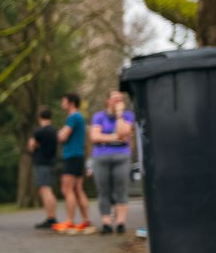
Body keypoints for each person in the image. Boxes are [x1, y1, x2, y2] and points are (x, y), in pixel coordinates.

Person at [89, 90, 136, 235]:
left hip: (121, 156)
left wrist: (119, 115)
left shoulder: (128, 116)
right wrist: (115, 137)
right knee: (104, 190)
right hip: (100, 157)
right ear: (107, 101)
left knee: (120, 189)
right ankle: (106, 223)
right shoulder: (99, 116)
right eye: (115, 98)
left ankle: (121, 223)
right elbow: (95, 137)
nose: (118, 101)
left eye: (120, 99)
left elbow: (123, 133)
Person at [54, 92, 91, 234]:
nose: (62, 104)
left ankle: (69, 221)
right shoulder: (78, 117)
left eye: (64, 101)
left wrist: (59, 134)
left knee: (67, 189)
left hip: (72, 156)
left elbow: (63, 137)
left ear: (71, 103)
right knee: (77, 189)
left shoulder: (73, 117)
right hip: (78, 156)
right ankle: (86, 220)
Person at [27, 108, 59, 229]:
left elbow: (31, 146)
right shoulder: (54, 130)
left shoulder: (39, 131)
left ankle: (51, 218)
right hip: (51, 162)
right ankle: (52, 216)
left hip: (41, 163)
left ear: (39, 117)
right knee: (49, 189)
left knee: (45, 190)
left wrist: (34, 144)